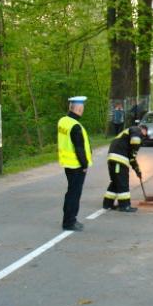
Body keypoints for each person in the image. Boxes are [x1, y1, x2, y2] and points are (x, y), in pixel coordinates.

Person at [57, 96, 92, 231]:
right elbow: (79, 148)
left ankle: (68, 219)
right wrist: (84, 165)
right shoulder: (75, 126)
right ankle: (70, 222)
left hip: (67, 163)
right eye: (82, 108)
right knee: (74, 194)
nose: (82, 110)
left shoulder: (63, 121)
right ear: (78, 108)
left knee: (70, 192)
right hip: (76, 165)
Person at [103, 123, 148, 212]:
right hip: (119, 160)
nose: (143, 136)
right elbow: (135, 141)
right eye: (144, 135)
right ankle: (124, 205)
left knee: (115, 182)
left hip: (113, 159)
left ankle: (107, 204)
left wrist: (137, 170)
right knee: (123, 182)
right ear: (143, 129)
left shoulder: (127, 136)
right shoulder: (136, 129)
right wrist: (136, 148)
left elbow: (132, 158)